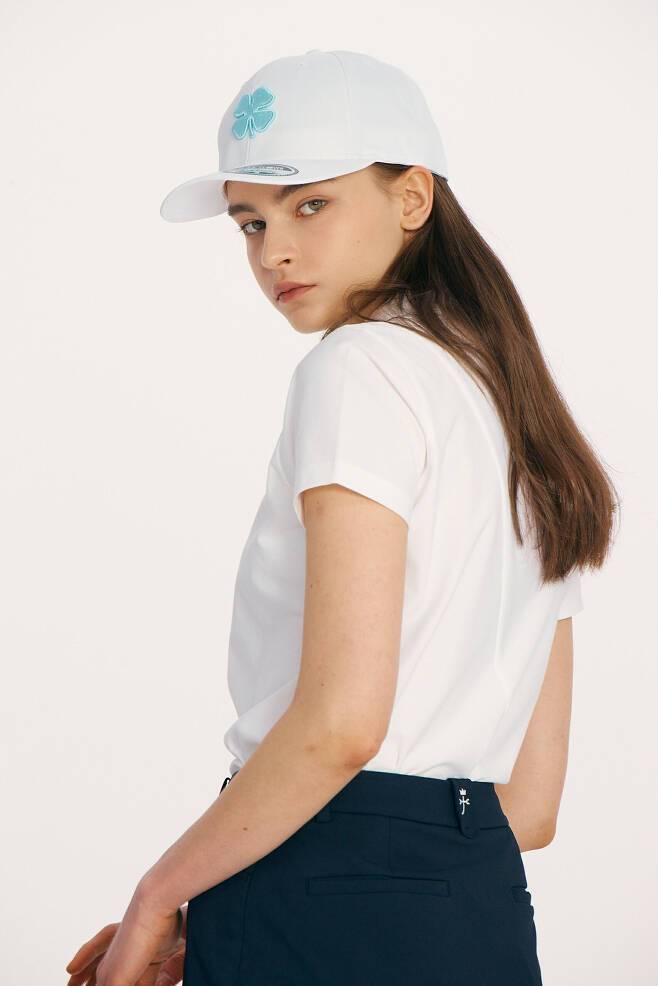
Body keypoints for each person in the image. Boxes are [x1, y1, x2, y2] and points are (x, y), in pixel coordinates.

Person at [66, 49, 619, 986]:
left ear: (413, 197)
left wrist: (164, 896)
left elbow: (340, 724)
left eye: (310, 205)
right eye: (251, 221)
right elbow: (529, 807)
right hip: (478, 908)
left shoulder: (358, 368)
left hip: (318, 883)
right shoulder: (521, 417)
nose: (272, 252)